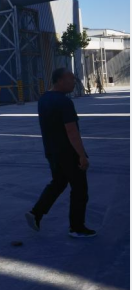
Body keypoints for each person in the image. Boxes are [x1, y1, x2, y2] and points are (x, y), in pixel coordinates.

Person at [26, 68, 97, 238]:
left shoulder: (43, 99)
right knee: (80, 190)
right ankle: (77, 228)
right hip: (68, 153)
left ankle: (36, 213)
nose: (74, 82)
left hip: (52, 151)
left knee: (58, 183)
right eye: (70, 79)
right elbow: (71, 131)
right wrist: (81, 155)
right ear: (59, 80)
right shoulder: (64, 102)